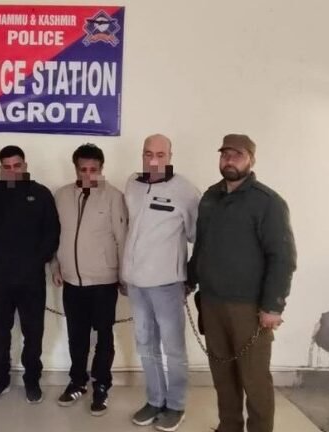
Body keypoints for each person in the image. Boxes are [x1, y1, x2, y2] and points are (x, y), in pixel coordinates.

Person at [188, 134, 297, 432]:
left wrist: (273, 306)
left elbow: (283, 258)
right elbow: (202, 246)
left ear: (251, 159)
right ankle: (229, 427)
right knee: (223, 377)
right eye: (225, 154)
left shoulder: (268, 202)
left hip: (250, 308)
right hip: (211, 303)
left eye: (237, 155)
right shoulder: (210, 197)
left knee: (255, 379)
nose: (229, 160)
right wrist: (189, 279)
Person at [122, 134, 201, 432]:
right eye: (148, 153)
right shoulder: (132, 184)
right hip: (136, 284)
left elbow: (198, 236)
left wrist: (190, 278)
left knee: (173, 349)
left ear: (170, 156)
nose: (153, 160)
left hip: (167, 284)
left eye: (160, 154)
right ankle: (155, 400)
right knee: (145, 345)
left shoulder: (185, 191)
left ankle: (176, 405)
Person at [50, 143, 128, 416]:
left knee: (104, 337)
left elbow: (122, 239)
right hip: (72, 281)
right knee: (77, 336)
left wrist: (123, 276)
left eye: (93, 169)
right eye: (82, 169)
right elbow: (55, 236)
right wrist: (56, 266)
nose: (88, 174)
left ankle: (102, 384)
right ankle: (78, 381)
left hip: (104, 281)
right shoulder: (61, 196)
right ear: (75, 169)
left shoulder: (114, 196)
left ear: (101, 169)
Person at [0, 145, 60, 404]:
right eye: (7, 167)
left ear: (25, 165)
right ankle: (0, 380)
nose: (12, 171)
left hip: (31, 278)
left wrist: (36, 261)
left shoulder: (41, 193)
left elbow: (52, 232)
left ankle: (32, 380)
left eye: (17, 166)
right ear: (0, 168)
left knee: (33, 333)